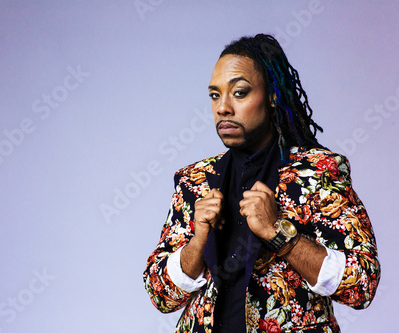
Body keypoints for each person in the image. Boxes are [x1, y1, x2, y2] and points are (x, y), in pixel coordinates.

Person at [143, 34, 380, 333]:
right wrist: (197, 242)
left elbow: (362, 284)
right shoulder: (194, 181)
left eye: (239, 93)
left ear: (271, 95)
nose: (223, 108)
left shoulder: (317, 172)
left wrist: (279, 232)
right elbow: (159, 294)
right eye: (215, 95)